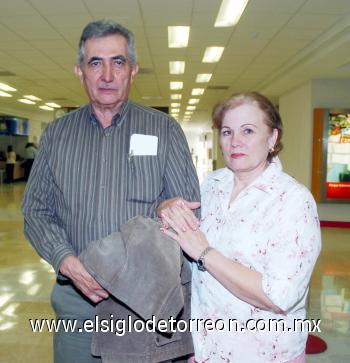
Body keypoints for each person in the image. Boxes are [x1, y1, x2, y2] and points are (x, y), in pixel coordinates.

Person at [22, 20, 200, 363]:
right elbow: (36, 211)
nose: (106, 74)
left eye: (118, 62)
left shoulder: (164, 130)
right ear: (80, 71)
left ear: (132, 71)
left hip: (145, 305)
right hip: (77, 303)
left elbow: (190, 212)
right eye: (95, 63)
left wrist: (169, 209)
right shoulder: (57, 135)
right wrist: (67, 262)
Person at [160, 92, 321, 363]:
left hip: (263, 353)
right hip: (205, 348)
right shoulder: (212, 185)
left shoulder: (293, 201)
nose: (235, 141)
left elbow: (280, 296)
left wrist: (205, 253)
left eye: (248, 130)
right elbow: (185, 236)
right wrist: (166, 207)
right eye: (227, 132)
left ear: (272, 138)